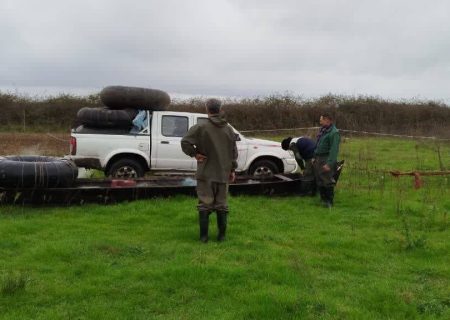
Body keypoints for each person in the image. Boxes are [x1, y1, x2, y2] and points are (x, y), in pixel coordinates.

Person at [181, 98, 238, 243]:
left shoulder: (200, 127)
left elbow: (185, 141)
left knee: (204, 205)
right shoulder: (229, 129)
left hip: (205, 174)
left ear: (207, 109)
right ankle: (222, 237)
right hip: (223, 173)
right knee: (222, 205)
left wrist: (195, 154)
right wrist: (232, 170)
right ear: (220, 109)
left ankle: (203, 238)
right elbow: (234, 152)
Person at [313, 113, 340, 208]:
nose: (320, 122)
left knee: (327, 180)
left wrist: (329, 163)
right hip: (318, 158)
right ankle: (323, 199)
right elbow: (317, 144)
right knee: (319, 179)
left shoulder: (334, 133)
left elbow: (334, 149)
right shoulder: (322, 131)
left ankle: (329, 202)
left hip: (326, 158)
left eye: (321, 120)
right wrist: (314, 157)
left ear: (327, 120)